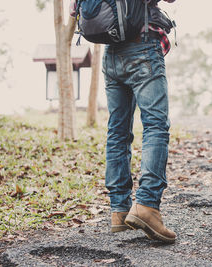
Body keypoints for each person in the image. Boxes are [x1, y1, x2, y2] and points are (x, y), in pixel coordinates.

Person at [71, 0, 177, 243]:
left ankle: (119, 210)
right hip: (143, 47)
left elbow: (74, 9)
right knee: (156, 127)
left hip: (111, 53)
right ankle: (147, 206)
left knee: (117, 131)